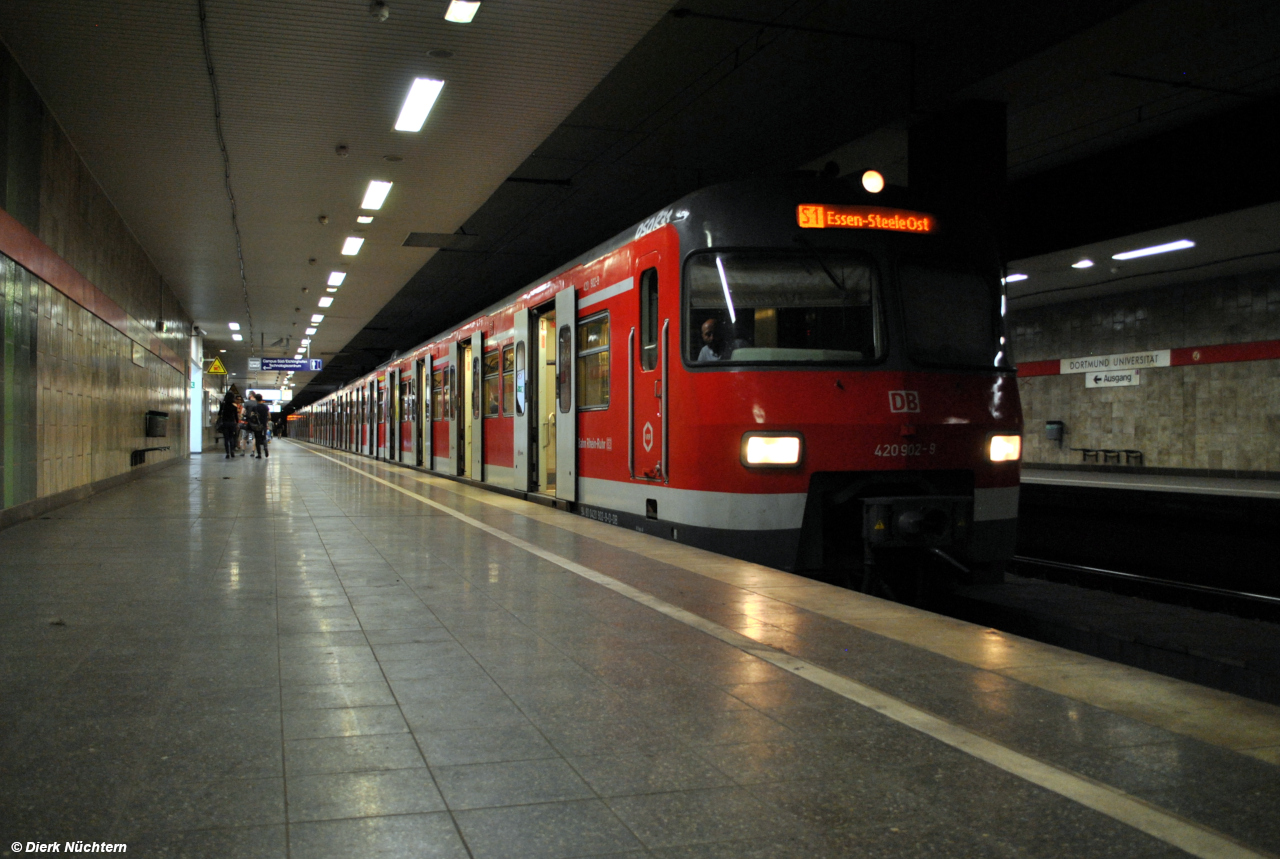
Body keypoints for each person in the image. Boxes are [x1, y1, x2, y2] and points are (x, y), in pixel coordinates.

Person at [216, 392, 240, 459]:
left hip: (225, 423)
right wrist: (237, 424)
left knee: (226, 438)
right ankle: (232, 451)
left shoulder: (223, 405)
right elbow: (236, 417)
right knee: (232, 437)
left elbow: (219, 414)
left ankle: (227, 453)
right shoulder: (234, 406)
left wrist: (217, 421)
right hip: (232, 423)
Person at [247, 393, 271, 458]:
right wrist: (266, 421)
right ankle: (265, 447)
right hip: (263, 425)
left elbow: (251, 416)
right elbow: (269, 415)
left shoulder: (254, 407)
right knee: (264, 438)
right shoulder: (265, 407)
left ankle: (259, 454)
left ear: (256, 399)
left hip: (256, 426)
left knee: (257, 439)